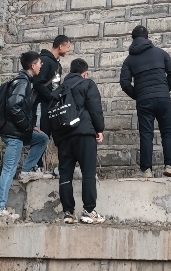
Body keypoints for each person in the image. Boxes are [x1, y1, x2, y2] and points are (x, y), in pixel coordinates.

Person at [0, 51, 51, 221]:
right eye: (39, 63)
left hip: (18, 131)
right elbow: (14, 106)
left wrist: (31, 127)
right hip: (14, 134)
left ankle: (25, 171)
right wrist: (26, 126)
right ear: (33, 65)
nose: (41, 66)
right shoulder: (22, 82)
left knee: (42, 138)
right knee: (8, 170)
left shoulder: (25, 81)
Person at [119, 25, 171, 178]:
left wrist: (138, 95)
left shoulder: (129, 60)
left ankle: (146, 170)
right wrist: (165, 88)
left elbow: (125, 83)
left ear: (133, 40)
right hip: (163, 98)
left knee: (146, 134)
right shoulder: (160, 53)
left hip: (144, 100)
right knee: (167, 132)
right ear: (148, 37)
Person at [53, 58, 105, 224]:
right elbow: (95, 108)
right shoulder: (87, 84)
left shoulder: (59, 89)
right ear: (84, 73)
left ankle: (68, 212)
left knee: (65, 175)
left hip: (64, 137)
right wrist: (99, 129)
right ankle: (89, 211)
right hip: (84, 134)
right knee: (88, 172)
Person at [33, 35, 72, 174]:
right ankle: (35, 167)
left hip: (51, 107)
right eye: (68, 47)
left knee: (48, 135)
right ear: (60, 46)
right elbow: (37, 83)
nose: (68, 50)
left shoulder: (56, 63)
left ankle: (41, 167)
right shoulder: (45, 60)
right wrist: (51, 97)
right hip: (41, 105)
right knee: (41, 135)